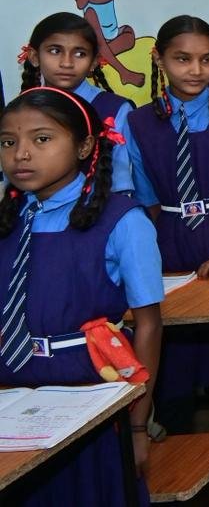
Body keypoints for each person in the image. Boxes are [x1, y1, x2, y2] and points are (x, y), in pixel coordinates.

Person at [0, 87, 162, 506]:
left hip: (89, 389)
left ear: (85, 146)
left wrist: (138, 426)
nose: (21, 154)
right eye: (8, 142)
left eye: (42, 139)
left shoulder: (123, 221)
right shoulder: (8, 220)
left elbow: (148, 325)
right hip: (12, 392)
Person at [127, 15, 209, 434]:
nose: (196, 70)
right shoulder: (138, 122)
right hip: (172, 243)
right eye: (182, 59)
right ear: (159, 59)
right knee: (174, 361)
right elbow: (146, 198)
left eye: (206, 60)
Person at [19, 12, 135, 193]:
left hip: (98, 208)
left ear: (94, 62)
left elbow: (120, 184)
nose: (67, 63)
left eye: (80, 54)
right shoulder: (20, 110)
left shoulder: (115, 110)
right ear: (34, 57)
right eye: (55, 51)